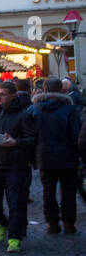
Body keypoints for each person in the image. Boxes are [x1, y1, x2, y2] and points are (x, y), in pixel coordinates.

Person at [0, 80, 37, 251]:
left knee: (16, 202)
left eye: (2, 94)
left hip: (16, 165)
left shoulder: (23, 115)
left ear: (12, 95)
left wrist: (16, 142)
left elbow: (33, 139)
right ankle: (1, 222)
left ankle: (14, 238)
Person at [30, 78, 80, 234]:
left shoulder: (34, 109)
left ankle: (52, 222)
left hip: (45, 155)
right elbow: (76, 134)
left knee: (48, 191)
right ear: (62, 90)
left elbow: (31, 135)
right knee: (68, 191)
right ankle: (69, 222)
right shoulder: (70, 109)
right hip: (67, 155)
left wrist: (33, 157)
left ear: (44, 89)